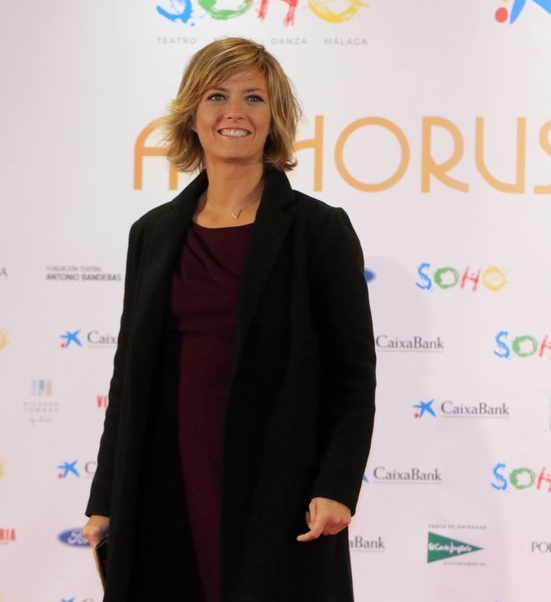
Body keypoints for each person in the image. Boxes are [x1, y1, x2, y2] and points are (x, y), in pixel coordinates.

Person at [82, 37, 376, 601]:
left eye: (254, 98)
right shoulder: (153, 232)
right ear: (193, 114)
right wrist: (105, 498)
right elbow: (129, 377)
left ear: (275, 117)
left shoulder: (317, 231)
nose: (234, 112)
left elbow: (351, 376)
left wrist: (337, 484)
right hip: (164, 471)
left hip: (276, 479)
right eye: (217, 95)